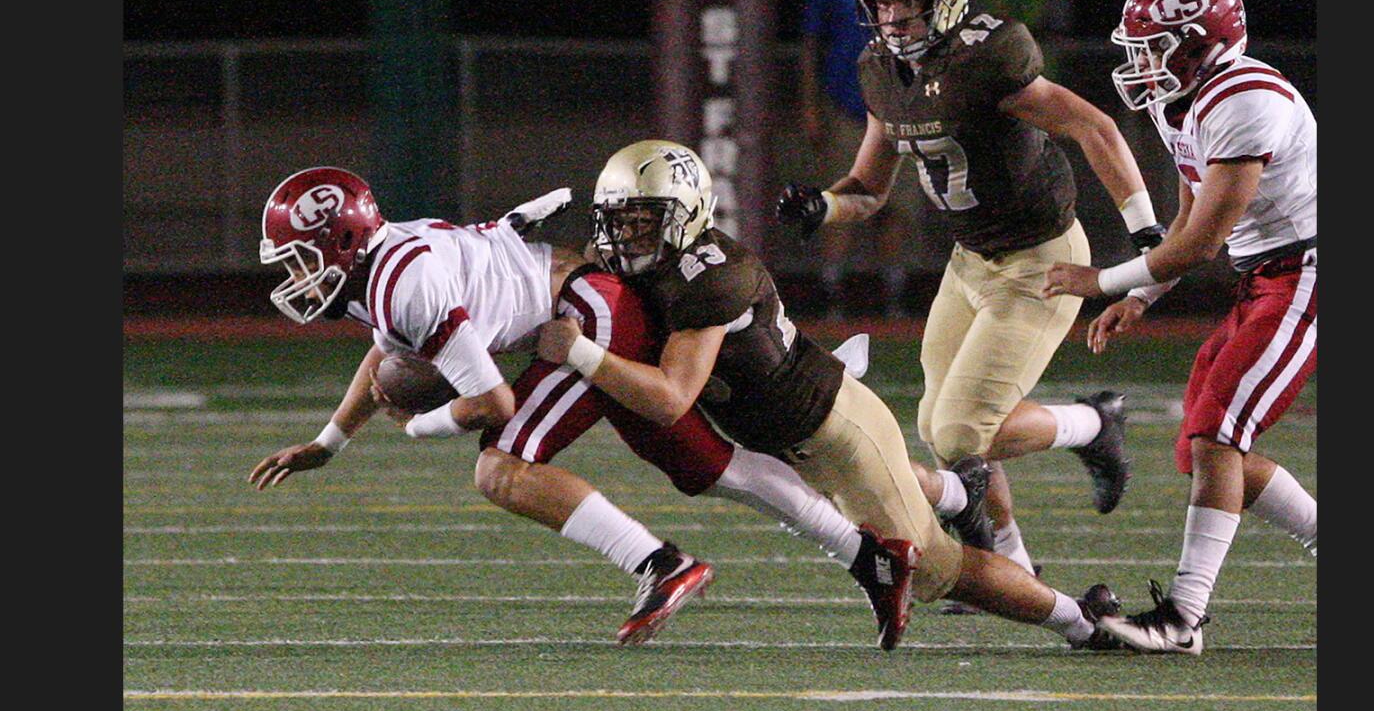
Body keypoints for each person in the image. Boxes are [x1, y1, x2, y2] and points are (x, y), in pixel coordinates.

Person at [244, 166, 921, 649]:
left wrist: (420, 425)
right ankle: (870, 556)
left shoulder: (405, 282)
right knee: (704, 467)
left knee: (502, 468)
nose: (295, 278)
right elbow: (383, 355)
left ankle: (662, 565)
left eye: (302, 259)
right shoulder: (380, 268)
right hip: (591, 306)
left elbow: (492, 400)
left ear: (340, 244)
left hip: (586, 315)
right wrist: (329, 442)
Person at [538, 140, 1123, 650]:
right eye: (616, 220)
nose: (624, 236)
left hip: (832, 431)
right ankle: (954, 492)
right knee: (889, 488)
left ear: (684, 215)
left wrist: (582, 353)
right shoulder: (663, 261)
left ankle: (1083, 620)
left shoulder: (713, 278)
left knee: (939, 571)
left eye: (641, 220)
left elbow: (670, 400)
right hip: (798, 437)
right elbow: (580, 263)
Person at [776, 0, 1164, 582]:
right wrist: (822, 206)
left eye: (903, 5)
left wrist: (1146, 234)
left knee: (961, 429)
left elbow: (1096, 128)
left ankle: (1092, 425)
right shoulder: (881, 68)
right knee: (938, 427)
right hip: (970, 262)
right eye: (879, 6)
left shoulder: (986, 56)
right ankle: (1010, 565)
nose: (889, 20)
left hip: (1040, 258)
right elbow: (869, 188)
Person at [1043, 0, 1317, 654]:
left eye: (1154, 47)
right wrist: (1143, 297)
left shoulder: (1245, 98)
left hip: (1307, 271)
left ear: (1200, 43)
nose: (1140, 62)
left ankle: (1182, 619)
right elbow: (1190, 223)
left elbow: (1202, 243)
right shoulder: (1190, 101)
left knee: (1217, 436)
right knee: (1201, 450)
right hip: (1266, 278)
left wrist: (1101, 281)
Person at [799, 0, 919, 318]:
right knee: (841, 200)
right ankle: (831, 293)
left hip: (901, 110)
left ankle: (893, 293)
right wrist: (811, 104)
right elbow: (811, 44)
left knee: (898, 207)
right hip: (847, 106)